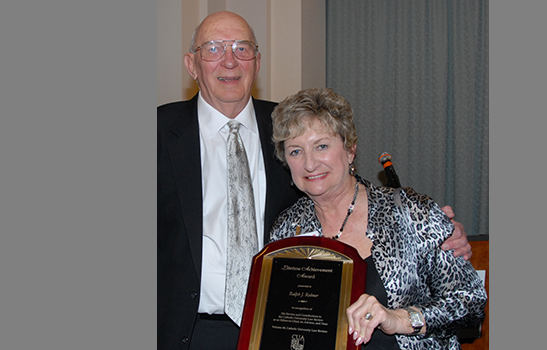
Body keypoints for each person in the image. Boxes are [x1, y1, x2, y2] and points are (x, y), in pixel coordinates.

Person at [158, 11, 473, 350]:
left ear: (257, 61)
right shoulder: (156, 132)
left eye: (242, 47)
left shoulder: (287, 127)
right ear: (192, 65)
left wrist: (438, 231)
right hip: (186, 332)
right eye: (214, 49)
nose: (230, 61)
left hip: (277, 333)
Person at [269, 88, 487, 350]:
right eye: (295, 151)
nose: (310, 164)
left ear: (350, 150)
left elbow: (470, 301)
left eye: (322, 146)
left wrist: (399, 319)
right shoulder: (286, 231)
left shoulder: (410, 212)